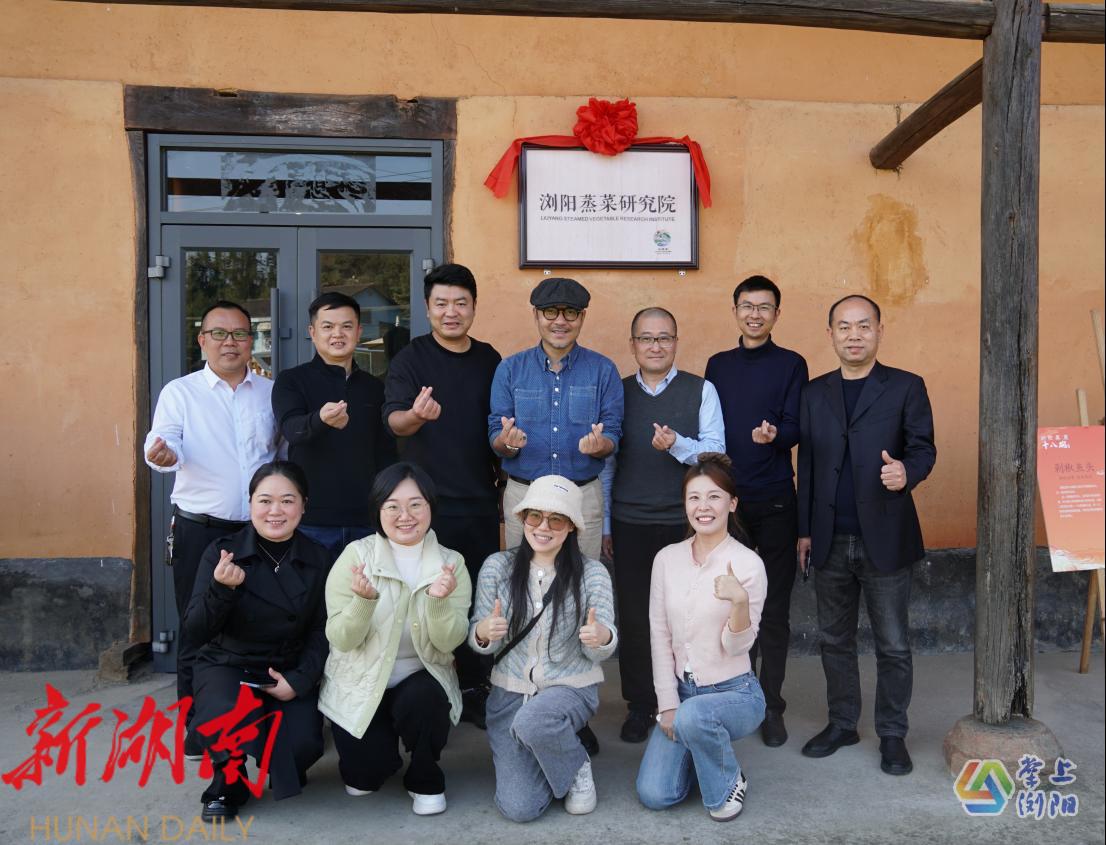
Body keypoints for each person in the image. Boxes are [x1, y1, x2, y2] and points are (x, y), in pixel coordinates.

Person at [797, 294, 936, 776]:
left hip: (886, 536)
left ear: (879, 330)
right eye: (844, 326)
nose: (853, 335)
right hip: (829, 537)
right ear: (830, 333)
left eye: (863, 325)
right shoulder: (814, 393)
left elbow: (924, 448)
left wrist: (907, 472)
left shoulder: (906, 386)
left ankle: (893, 734)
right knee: (834, 639)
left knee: (893, 643)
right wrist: (804, 532)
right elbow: (807, 465)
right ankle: (842, 723)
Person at [143, 300, 281, 756]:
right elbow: (163, 442)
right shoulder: (180, 393)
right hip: (200, 530)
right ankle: (196, 725)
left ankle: (261, 718)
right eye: (219, 334)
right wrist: (163, 454)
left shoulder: (270, 392)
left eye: (240, 333)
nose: (230, 342)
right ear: (202, 340)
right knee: (197, 626)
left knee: (261, 623)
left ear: (251, 341)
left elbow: (281, 455)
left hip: (260, 532)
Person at [383, 263, 502, 729]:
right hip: (425, 508)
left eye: (460, 303)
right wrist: (416, 415)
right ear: (427, 307)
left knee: (474, 597)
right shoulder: (410, 359)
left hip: (479, 499)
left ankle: (474, 686)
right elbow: (395, 422)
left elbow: (500, 423)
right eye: (441, 304)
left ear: (474, 307)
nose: (451, 312)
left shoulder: (490, 359)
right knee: (426, 598)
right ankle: (427, 688)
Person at [600, 307, 725, 744]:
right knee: (636, 618)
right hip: (630, 520)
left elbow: (716, 453)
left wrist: (676, 446)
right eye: (646, 338)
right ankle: (641, 704)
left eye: (664, 338)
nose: (655, 346)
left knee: (688, 616)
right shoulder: (616, 392)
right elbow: (608, 464)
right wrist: (606, 524)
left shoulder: (701, 389)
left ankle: (688, 698)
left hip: (684, 523)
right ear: (633, 344)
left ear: (676, 342)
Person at [318, 462, 472, 816]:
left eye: (416, 504)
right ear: (378, 509)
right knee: (362, 781)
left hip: (420, 679)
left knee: (425, 699)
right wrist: (362, 604)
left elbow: (449, 643)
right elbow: (340, 639)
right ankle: (380, 747)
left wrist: (438, 603)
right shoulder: (356, 556)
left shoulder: (451, 563)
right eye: (393, 506)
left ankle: (425, 774)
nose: (406, 516)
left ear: (431, 506)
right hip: (360, 681)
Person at [182, 460, 330, 822]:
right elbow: (195, 632)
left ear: (304, 506)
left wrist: (298, 680)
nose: (275, 511)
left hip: (286, 665)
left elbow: (323, 630)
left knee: (303, 745)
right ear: (250, 504)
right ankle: (228, 780)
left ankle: (282, 759)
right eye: (265, 501)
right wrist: (220, 589)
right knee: (223, 716)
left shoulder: (319, 557)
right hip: (228, 663)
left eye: (287, 500)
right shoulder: (222, 551)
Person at [469, 476, 618, 822]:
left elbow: (601, 647)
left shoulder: (592, 574)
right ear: (522, 519)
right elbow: (482, 641)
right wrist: (483, 632)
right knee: (519, 807)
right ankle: (553, 749)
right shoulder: (497, 567)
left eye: (556, 519)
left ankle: (576, 764)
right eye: (534, 516)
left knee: (534, 721)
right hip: (510, 694)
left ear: (572, 526)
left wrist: (601, 638)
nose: (543, 527)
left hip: (570, 688)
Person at [704, 275, 808, 747]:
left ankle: (771, 705)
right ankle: (729, 697)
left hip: (775, 500)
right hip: (727, 503)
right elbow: (709, 427)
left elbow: (797, 427)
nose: (755, 314)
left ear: (776, 315)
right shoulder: (718, 365)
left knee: (775, 608)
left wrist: (775, 436)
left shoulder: (791, 364)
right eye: (747, 306)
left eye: (765, 307)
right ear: (735, 311)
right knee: (725, 603)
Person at [636, 453, 767, 822]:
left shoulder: (748, 564)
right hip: (683, 693)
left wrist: (739, 602)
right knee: (655, 794)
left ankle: (728, 783)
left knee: (695, 716)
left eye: (714, 497)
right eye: (694, 497)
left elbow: (737, 647)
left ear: (732, 503)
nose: (703, 507)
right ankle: (702, 747)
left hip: (735, 694)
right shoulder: (666, 559)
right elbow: (659, 633)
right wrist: (667, 703)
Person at [488, 276, 623, 561]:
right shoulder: (510, 369)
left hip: (583, 496)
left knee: (582, 578)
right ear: (536, 314)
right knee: (522, 577)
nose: (560, 321)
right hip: (524, 497)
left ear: (582, 317)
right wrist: (507, 443)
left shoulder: (604, 370)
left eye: (570, 312)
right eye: (550, 311)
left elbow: (612, 432)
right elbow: (496, 436)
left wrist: (601, 445)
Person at [271, 291, 397, 557]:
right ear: (313, 332)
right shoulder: (291, 380)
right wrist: (321, 419)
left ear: (359, 332)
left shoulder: (374, 387)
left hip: (366, 521)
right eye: (327, 327)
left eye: (346, 326)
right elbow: (292, 429)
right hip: (310, 521)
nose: (337, 334)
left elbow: (385, 454)